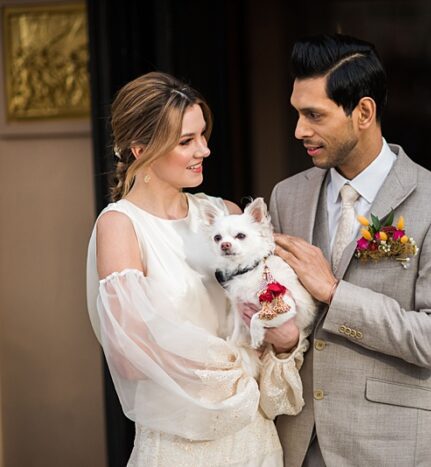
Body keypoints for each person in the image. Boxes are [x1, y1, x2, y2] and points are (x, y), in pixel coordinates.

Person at [271, 34, 431, 467]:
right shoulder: (285, 198)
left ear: (363, 112)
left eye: (314, 115)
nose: (299, 131)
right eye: (297, 113)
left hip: (393, 448)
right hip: (297, 446)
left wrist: (334, 292)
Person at [85, 72, 306, 466]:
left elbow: (273, 308)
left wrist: (284, 339)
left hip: (256, 441)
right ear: (140, 149)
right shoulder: (121, 226)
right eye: (186, 141)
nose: (204, 150)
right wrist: (235, 364)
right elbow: (130, 357)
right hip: (180, 447)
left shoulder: (227, 217)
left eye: (203, 135)